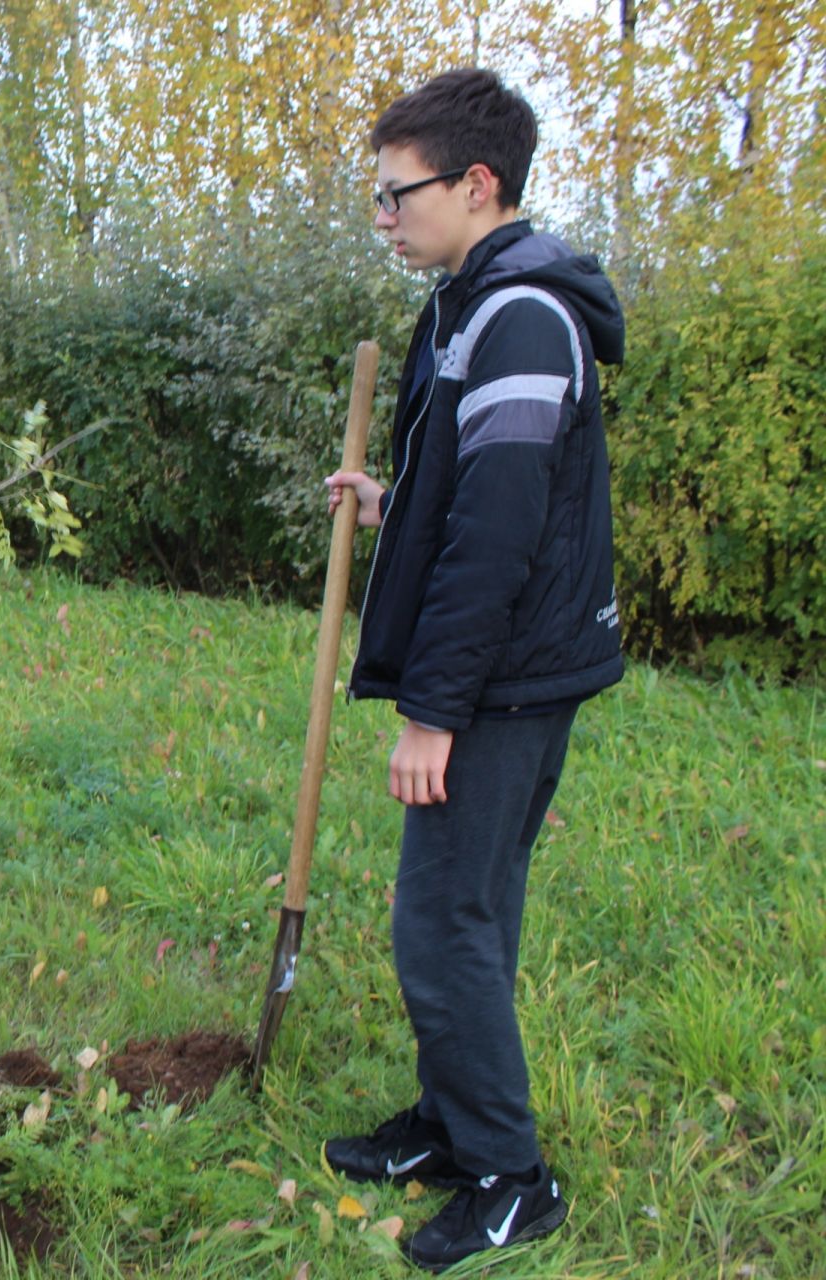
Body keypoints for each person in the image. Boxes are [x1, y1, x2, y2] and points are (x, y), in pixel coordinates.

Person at [320, 70, 624, 1272]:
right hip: (511, 660)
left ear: (476, 184)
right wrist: (394, 497)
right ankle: (451, 1123)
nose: (384, 217)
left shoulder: (523, 317)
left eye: (398, 195)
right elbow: (487, 491)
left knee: (443, 921)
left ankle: (510, 1172)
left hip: (502, 680)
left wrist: (432, 714)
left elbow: (500, 540)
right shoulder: (472, 305)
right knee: (470, 914)